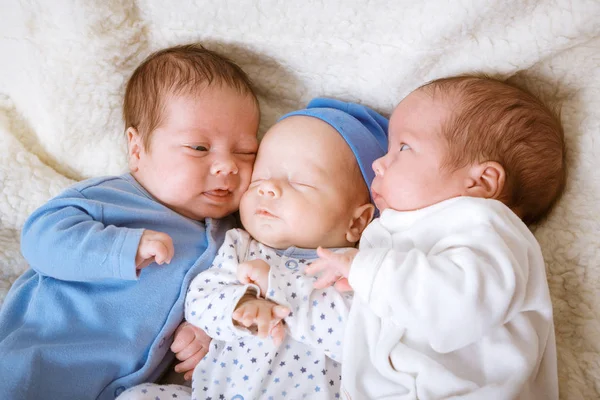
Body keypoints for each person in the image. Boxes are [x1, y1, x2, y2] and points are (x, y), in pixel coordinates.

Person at [0, 44, 260, 400]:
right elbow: (40, 238)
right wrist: (120, 249)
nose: (228, 166)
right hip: (39, 358)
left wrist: (203, 329)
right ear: (137, 150)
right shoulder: (110, 198)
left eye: (246, 152)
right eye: (199, 148)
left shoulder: (233, 237)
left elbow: (220, 293)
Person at [307, 76, 565, 399]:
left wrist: (371, 272)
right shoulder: (404, 231)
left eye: (403, 147)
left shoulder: (491, 228)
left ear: (481, 181)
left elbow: (459, 305)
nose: (378, 163)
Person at [116, 97, 389, 400]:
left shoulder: (358, 268)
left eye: (300, 182)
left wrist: (276, 287)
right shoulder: (240, 246)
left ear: (358, 221)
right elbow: (199, 299)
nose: (267, 188)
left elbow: (354, 339)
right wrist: (238, 307)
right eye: (260, 177)